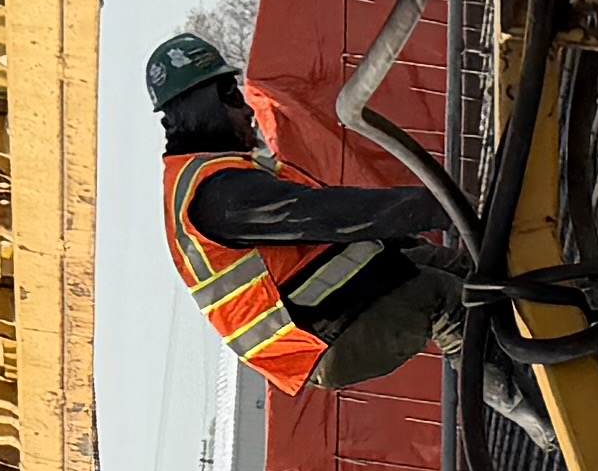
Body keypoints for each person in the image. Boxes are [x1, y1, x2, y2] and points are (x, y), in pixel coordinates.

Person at [148, 31, 460, 402]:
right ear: (202, 108)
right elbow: (327, 215)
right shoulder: (217, 196)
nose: (247, 110)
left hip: (339, 301)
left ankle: (533, 321)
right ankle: (531, 405)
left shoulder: (219, 173)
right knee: (447, 298)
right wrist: (437, 208)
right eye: (231, 97)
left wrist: (410, 233)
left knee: (457, 265)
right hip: (316, 341)